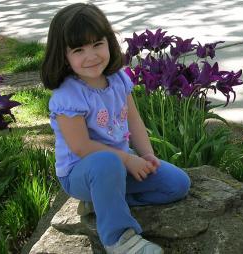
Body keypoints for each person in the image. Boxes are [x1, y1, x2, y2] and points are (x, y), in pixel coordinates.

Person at [41, 3, 190, 254]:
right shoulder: (68, 96)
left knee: (177, 183)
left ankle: (102, 202)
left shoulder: (119, 79)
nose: (91, 56)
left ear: (109, 42)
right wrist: (127, 159)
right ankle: (120, 239)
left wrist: (145, 156)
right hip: (82, 172)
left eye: (97, 44)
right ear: (63, 55)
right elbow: (81, 147)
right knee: (105, 163)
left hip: (120, 166)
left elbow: (134, 121)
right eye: (79, 49)